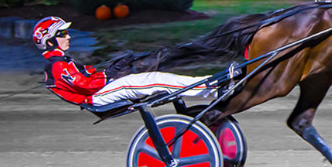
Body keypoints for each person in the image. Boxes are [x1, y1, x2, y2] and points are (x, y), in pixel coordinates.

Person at [34, 17, 224, 107]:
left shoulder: (61, 62)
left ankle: (209, 82)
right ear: (49, 41)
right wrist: (110, 75)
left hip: (100, 91)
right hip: (96, 97)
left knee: (154, 77)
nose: (68, 37)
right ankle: (209, 88)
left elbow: (89, 78)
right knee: (154, 80)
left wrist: (108, 72)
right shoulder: (57, 65)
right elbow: (85, 86)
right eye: (62, 34)